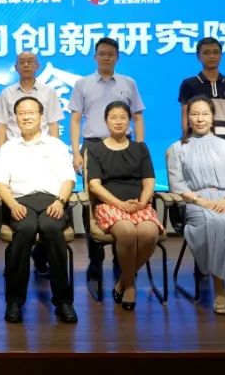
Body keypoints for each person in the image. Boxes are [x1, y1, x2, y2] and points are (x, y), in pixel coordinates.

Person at [167, 97, 225, 317]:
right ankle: (219, 290)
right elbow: (176, 184)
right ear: (188, 118)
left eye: (205, 114)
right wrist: (202, 201)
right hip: (196, 201)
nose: (200, 119)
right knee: (215, 223)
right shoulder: (177, 149)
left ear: (212, 117)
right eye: (195, 114)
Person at [0, 96, 78, 324]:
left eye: (31, 112)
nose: (26, 117)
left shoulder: (56, 146)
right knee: (26, 229)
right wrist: (13, 205)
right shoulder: (8, 148)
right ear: (15, 118)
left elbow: (68, 179)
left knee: (50, 228)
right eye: (21, 113)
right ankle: (14, 301)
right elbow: (0, 183)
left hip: (52, 201)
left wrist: (60, 201)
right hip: (20, 202)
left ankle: (63, 301)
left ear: (41, 116)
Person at [69, 37, 145, 280]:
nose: (106, 57)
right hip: (93, 146)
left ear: (117, 57)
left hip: (124, 145)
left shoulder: (128, 83)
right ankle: (95, 261)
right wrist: (76, 152)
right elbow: (75, 119)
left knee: (124, 197)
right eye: (102, 53)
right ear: (95, 57)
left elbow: (137, 117)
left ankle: (122, 261)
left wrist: (139, 148)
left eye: (111, 54)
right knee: (93, 203)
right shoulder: (82, 83)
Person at [83, 101, 162, 311]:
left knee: (149, 233)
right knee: (127, 232)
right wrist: (120, 205)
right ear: (106, 121)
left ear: (130, 121)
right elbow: (94, 185)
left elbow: (149, 182)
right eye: (113, 117)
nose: (118, 121)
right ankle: (130, 287)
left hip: (138, 204)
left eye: (123, 117)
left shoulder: (140, 148)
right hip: (109, 205)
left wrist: (142, 203)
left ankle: (122, 282)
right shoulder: (95, 149)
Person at [177, 38, 225, 167]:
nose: (211, 56)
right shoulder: (189, 84)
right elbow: (185, 117)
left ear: (221, 55)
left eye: (215, 52)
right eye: (206, 52)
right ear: (198, 56)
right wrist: (187, 142)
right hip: (199, 143)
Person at [0, 51, 63, 148]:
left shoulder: (49, 92)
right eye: (22, 62)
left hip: (43, 148)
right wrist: (1, 152)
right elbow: (2, 126)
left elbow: (53, 124)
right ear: (16, 67)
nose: (26, 65)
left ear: (37, 66)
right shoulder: (7, 93)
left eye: (30, 61)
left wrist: (55, 150)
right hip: (14, 149)